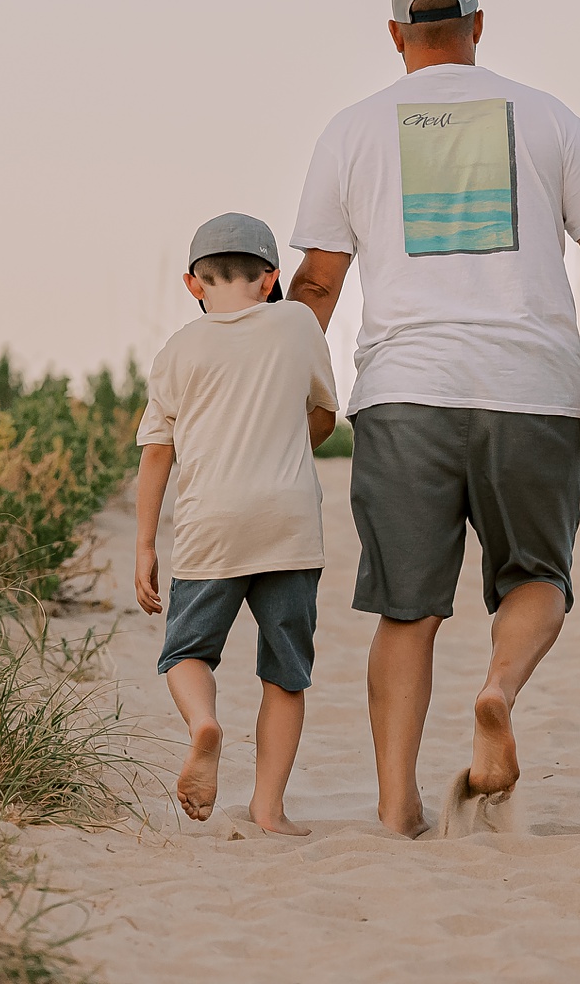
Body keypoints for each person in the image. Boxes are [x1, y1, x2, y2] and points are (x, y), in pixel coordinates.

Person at [288, 0, 580, 838]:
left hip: (405, 391)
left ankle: (398, 804)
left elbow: (319, 286)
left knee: (407, 608)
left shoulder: (352, 130)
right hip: (532, 389)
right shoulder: (547, 115)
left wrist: (294, 396)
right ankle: (498, 688)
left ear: (397, 34)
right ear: (478, 27)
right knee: (536, 577)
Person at [134, 213, 340, 834]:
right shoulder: (297, 324)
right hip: (288, 524)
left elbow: (157, 453)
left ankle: (203, 724)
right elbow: (325, 416)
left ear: (193, 285)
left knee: (187, 652)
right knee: (285, 672)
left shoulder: (178, 349)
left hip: (209, 529)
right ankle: (269, 808)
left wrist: (145, 544)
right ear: (272, 278)